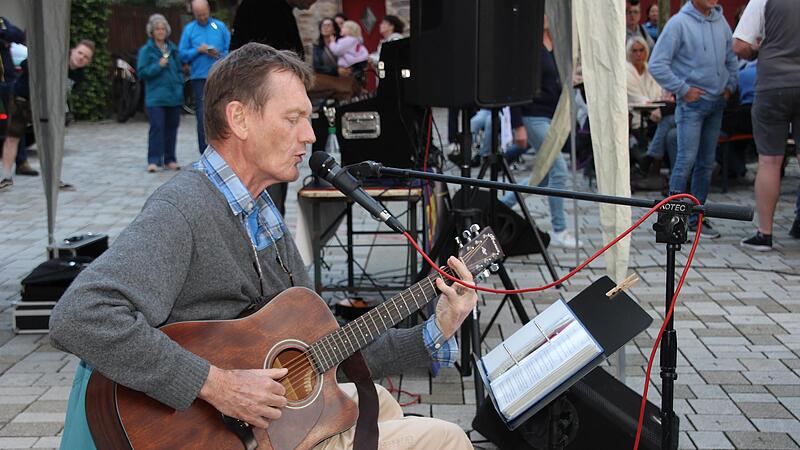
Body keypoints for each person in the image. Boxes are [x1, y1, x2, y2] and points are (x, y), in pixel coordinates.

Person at [49, 43, 476, 450]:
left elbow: (328, 348)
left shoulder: (262, 213)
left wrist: (436, 329)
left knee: (379, 403)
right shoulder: (184, 210)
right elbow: (80, 316)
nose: (310, 135)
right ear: (239, 119)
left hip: (272, 425)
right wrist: (218, 385)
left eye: (308, 119)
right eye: (293, 118)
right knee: (448, 439)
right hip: (207, 431)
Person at [649, 0, 738, 239]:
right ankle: (672, 222)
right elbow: (656, 64)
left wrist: (729, 86)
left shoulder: (721, 23)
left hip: (716, 103)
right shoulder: (678, 23)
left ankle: (696, 219)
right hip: (692, 105)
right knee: (685, 160)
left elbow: (731, 58)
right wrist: (683, 89)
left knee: (706, 163)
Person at [497, 16, 582, 248]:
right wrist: (518, 125)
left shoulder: (558, 43)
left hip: (553, 115)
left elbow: (553, 80)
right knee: (559, 170)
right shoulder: (529, 47)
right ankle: (559, 228)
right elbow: (514, 86)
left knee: (542, 176)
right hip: (533, 115)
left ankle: (501, 206)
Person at [229, 0, 316, 217]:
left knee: (272, 205)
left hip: (265, 117)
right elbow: (281, 76)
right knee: (266, 208)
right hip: (261, 122)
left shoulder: (280, 11)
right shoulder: (265, 10)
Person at [735, 0, 800, 251]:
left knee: (769, 161)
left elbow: (739, 45)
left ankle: (765, 233)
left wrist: (756, 49)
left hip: (774, 83)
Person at [1, 40, 94, 192]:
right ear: (73, 51)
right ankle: (5, 178)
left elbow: (66, 93)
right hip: (23, 97)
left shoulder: (78, 75)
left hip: (47, 105)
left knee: (52, 141)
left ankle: (54, 180)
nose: (81, 58)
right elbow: (26, 65)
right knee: (13, 137)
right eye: (80, 53)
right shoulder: (55, 58)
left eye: (86, 57)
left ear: (88, 62)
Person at [179, 0, 230, 154]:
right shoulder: (189, 30)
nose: (202, 17)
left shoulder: (220, 27)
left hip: (219, 75)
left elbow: (232, 51)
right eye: (198, 14)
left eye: (204, 13)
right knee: (202, 114)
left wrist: (219, 54)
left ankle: (223, 148)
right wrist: (198, 50)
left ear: (209, 9)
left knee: (222, 111)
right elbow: (182, 54)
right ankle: (205, 150)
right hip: (199, 78)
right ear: (194, 13)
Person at [626, 36, 676, 190]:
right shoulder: (625, 71)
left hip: (655, 116)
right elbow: (638, 99)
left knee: (669, 130)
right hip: (637, 117)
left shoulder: (651, 70)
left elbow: (661, 93)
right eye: (634, 51)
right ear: (629, 53)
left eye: (641, 50)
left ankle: (649, 160)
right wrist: (660, 104)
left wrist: (660, 103)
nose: (638, 54)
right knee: (668, 121)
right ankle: (652, 165)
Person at [137, 14, 183, 173]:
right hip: (155, 97)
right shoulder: (146, 50)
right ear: (152, 31)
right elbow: (142, 72)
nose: (160, 31)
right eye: (157, 29)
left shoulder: (173, 49)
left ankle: (170, 159)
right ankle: (154, 160)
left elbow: (179, 69)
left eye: (163, 28)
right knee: (157, 127)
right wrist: (158, 66)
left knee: (172, 128)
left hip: (173, 96)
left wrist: (179, 82)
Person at [0, 16, 36, 178]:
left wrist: (3, 33)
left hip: (6, 80)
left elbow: (18, 35)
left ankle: (21, 162)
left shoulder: (1, 21)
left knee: (15, 122)